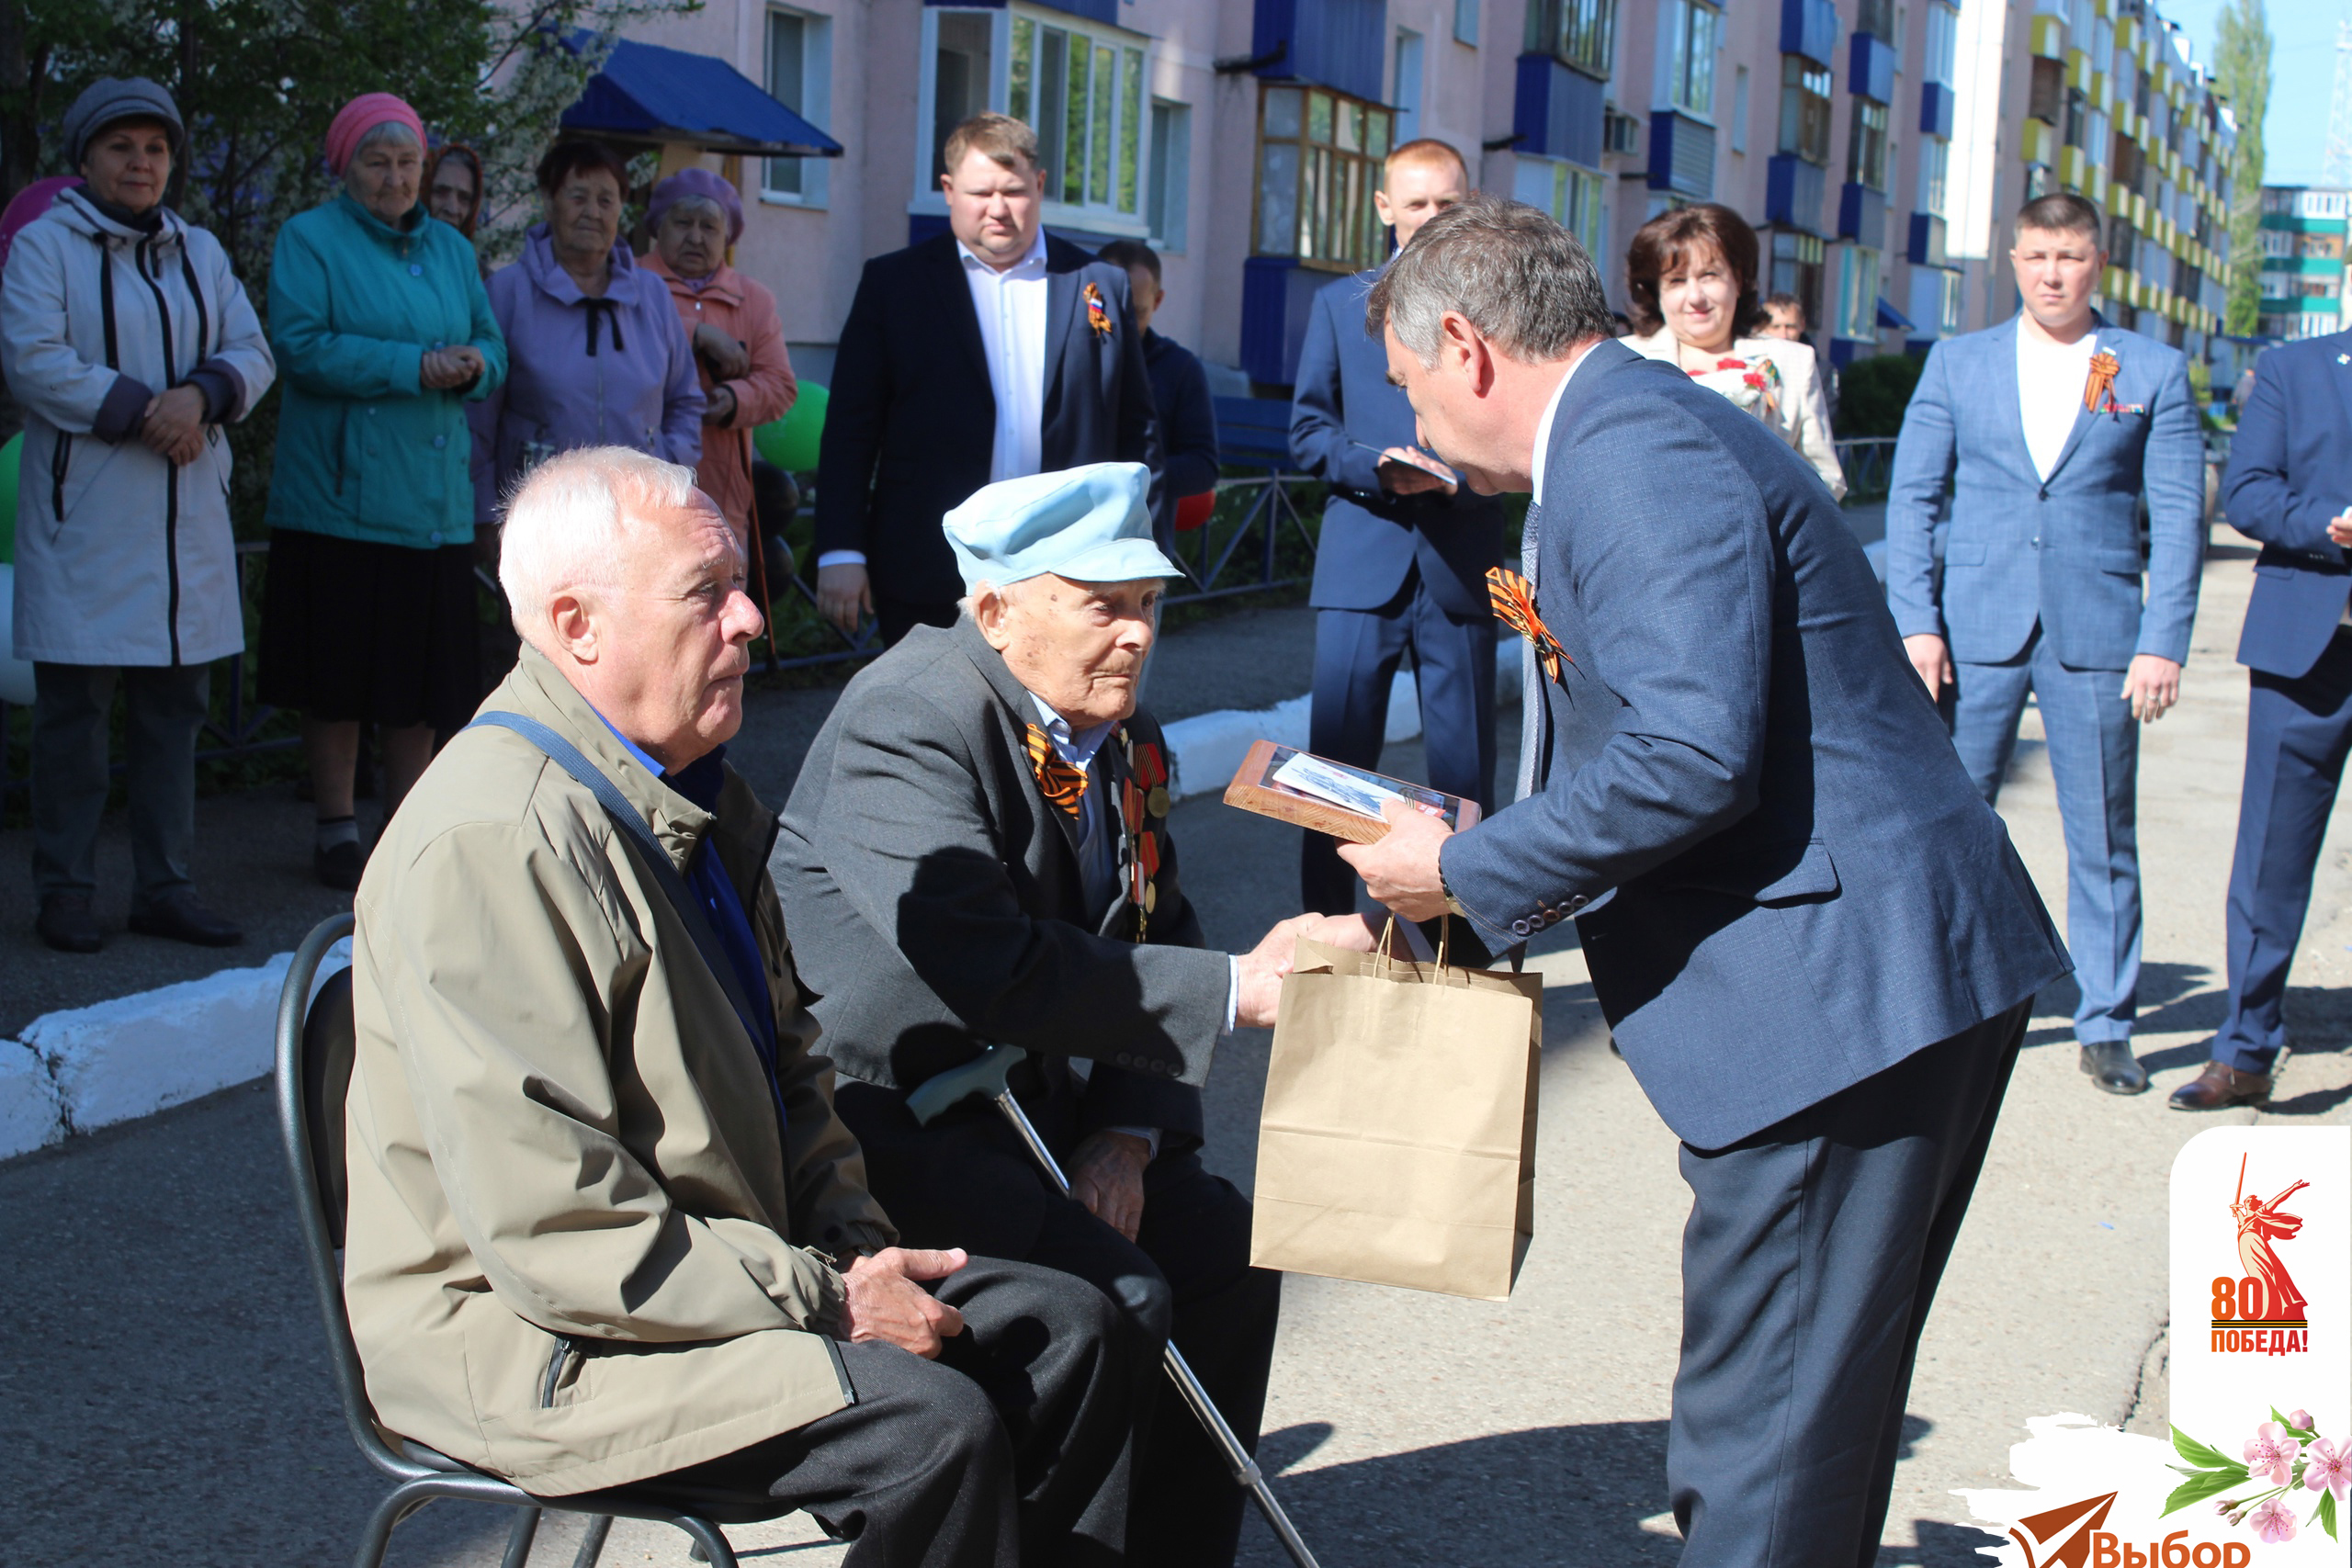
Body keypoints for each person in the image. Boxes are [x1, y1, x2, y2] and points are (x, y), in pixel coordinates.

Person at [1340, 195, 2067, 1565]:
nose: (1414, 422)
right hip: (1863, 981)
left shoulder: (1628, 450)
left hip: (1831, 1008)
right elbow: (1677, 722)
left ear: (1465, 343)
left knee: (1765, 1448)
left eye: (1410, 385)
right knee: (1813, 1427)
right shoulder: (1628, 428)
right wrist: (1491, 847)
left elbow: (1689, 753)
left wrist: (1462, 867)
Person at [345, 446, 1145, 1568]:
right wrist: (834, 1300)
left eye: (741, 582)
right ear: (576, 625)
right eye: (705, 594)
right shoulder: (493, 840)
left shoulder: (691, 789)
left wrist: (857, 1254)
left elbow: (795, 1065)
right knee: (931, 1430)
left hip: (712, 1276)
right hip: (545, 1340)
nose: (751, 621)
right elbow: (559, 1234)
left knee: (1076, 1327)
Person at [776, 463, 1366, 1566]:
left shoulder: (1116, 733)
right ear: (996, 611)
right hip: (883, 1122)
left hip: (1031, 1104)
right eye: (1102, 604)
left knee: (1224, 1252)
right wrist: (1243, 987)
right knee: (1113, 1293)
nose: (1137, 635)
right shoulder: (909, 719)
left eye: (1148, 603)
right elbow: (987, 964)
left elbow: (1155, 917)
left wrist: (1130, 1132)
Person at [1885, 191, 2204, 1097]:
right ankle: (1939, 1011)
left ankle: (2106, 1020)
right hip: (1972, 631)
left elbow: (2177, 521)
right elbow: (1911, 501)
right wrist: (1917, 622)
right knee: (1946, 830)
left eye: (2068, 256)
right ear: (2013, 261)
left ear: (2096, 261)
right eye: (2035, 256)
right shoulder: (1958, 362)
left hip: (2097, 635)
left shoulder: (2148, 368)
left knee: (2102, 836)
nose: (2051, 273)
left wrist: (2161, 642)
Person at [2, 78, 275, 953]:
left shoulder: (197, 250)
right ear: (86, 160)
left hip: (184, 515)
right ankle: (66, 891)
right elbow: (33, 358)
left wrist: (200, 397)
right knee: (74, 718)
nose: (141, 162)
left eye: (155, 148)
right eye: (122, 147)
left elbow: (252, 352)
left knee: (174, 710)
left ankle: (165, 885)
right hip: (89, 515)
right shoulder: (46, 247)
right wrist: (146, 411)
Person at [260, 94, 508, 891]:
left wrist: (478, 363)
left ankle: (409, 829)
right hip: (339, 498)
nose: (396, 176)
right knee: (336, 677)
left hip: (430, 507)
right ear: (345, 167)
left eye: (408, 161)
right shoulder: (309, 239)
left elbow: (493, 343)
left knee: (421, 686)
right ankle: (336, 827)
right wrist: (414, 367)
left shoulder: (450, 250)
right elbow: (301, 350)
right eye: (378, 160)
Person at [814, 113, 1161, 645]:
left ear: (1040, 186)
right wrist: (841, 549)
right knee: (928, 719)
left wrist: (1141, 553)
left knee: (1051, 726)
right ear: (949, 190)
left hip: (1069, 567)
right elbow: (850, 429)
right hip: (927, 562)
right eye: (981, 192)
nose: (998, 209)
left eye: (1014, 191)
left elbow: (1137, 432)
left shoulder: (1097, 285)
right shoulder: (894, 284)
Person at [1287, 137, 1505, 919]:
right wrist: (1377, 467)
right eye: (1416, 204)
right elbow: (1308, 432)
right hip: (1361, 567)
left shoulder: (1498, 309)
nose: (1431, 218)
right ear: (1385, 209)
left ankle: (1464, 947)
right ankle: (1326, 929)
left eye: (1447, 203)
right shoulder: (1339, 304)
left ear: (1469, 203)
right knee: (1333, 776)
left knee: (1465, 779)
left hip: (1460, 559)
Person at [2179, 327, 2352, 1110]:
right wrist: (2329, 523)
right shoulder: (2294, 368)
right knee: (2270, 858)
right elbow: (2246, 491)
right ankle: (2245, 1048)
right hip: (2307, 649)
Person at [471, 140, 702, 555]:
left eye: (606, 199)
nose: (592, 212)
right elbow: (479, 420)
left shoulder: (653, 297)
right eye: (578, 197)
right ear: (549, 201)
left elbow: (686, 400)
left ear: (621, 209)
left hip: (642, 517)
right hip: (540, 520)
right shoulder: (507, 293)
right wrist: (485, 513)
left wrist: (667, 464)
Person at [1621, 206, 1845, 499]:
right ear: (1656, 291)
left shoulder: (1792, 363)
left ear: (1738, 280)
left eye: (1709, 275)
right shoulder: (1624, 363)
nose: (1696, 297)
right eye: (1677, 280)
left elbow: (1827, 481)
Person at [642, 168, 797, 551]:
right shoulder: (629, 283)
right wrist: (696, 333)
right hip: (640, 483)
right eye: (682, 223)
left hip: (722, 494)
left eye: (709, 227)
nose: (695, 237)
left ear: (727, 237)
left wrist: (732, 399)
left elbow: (780, 385)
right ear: (658, 228)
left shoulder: (754, 299)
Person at [1096, 239, 1217, 548]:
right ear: (1090, 295)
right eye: (1111, 311)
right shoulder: (1067, 358)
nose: (1120, 326)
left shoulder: (1179, 368)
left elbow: (1203, 467)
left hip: (1142, 548)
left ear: (1158, 300)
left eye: (1135, 312)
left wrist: (1135, 478)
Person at [424, 141, 488, 274]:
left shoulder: (480, 279)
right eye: (441, 192)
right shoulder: (394, 263)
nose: (452, 209)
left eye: (464, 198)